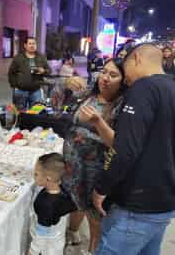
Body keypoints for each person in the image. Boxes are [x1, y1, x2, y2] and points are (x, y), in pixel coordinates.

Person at [92, 44, 175, 255]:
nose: (126, 79)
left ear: (136, 58)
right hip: (165, 203)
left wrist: (102, 188)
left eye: (124, 68)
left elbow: (124, 148)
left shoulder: (143, 88)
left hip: (136, 209)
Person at [62, 58, 126, 254]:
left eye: (113, 75)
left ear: (124, 80)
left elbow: (118, 144)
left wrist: (98, 121)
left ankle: (93, 250)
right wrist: (67, 82)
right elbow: (61, 91)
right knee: (75, 201)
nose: (105, 78)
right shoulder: (89, 93)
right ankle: (72, 233)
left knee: (95, 215)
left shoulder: (123, 104)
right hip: (74, 164)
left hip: (95, 168)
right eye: (104, 72)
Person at [29, 153, 76, 255]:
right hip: (58, 238)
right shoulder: (64, 191)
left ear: (48, 178)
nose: (33, 176)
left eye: (36, 174)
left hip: (47, 246)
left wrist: (32, 252)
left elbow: (41, 235)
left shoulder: (46, 205)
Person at [8, 37, 50, 109]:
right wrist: (15, 86)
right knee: (20, 114)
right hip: (21, 91)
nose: (32, 46)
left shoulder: (41, 57)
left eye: (34, 44)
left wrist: (44, 71)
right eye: (30, 43)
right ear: (25, 45)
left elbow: (49, 70)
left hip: (36, 91)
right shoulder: (18, 58)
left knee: (36, 114)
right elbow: (11, 73)